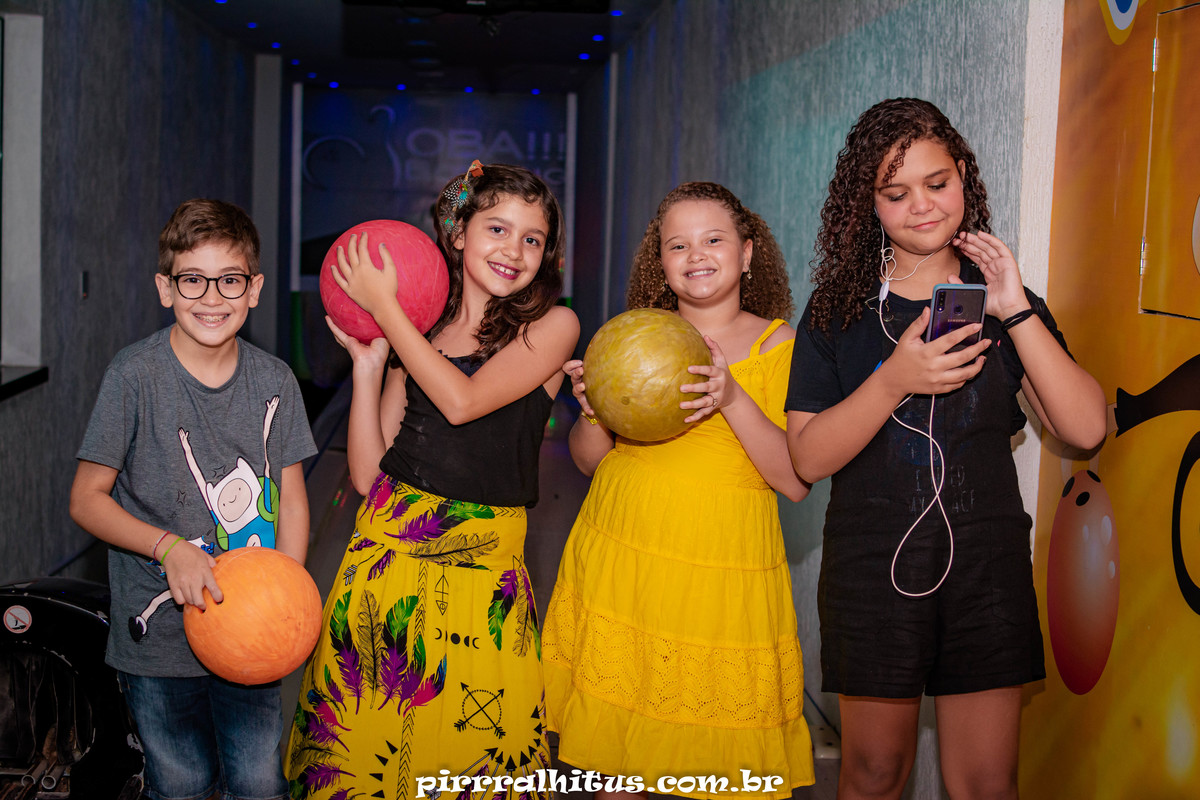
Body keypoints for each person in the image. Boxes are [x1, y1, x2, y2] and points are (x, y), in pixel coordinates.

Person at [785, 97, 1107, 800]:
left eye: (938, 182)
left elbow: (1086, 429)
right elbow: (806, 458)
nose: (922, 206)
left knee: (986, 784)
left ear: (964, 176)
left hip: (985, 566)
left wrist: (1013, 307)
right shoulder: (838, 309)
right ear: (867, 205)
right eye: (894, 193)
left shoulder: (1002, 300)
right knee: (873, 774)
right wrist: (895, 378)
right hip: (872, 567)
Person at [284, 163, 579, 799]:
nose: (514, 249)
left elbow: (463, 402)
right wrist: (368, 366)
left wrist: (387, 312)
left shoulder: (553, 328)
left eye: (533, 238)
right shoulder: (419, 332)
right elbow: (367, 472)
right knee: (366, 762)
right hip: (383, 568)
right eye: (497, 227)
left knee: (475, 766)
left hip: (482, 585)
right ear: (458, 234)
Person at [543, 182, 815, 798]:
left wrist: (731, 397)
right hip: (623, 558)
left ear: (747, 253)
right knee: (614, 769)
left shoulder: (783, 347)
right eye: (677, 245)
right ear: (660, 263)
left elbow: (795, 480)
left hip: (718, 579)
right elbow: (591, 463)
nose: (697, 255)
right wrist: (592, 410)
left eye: (714, 239)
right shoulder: (632, 339)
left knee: (707, 772)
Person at [69, 198, 317, 800]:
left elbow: (290, 498)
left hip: (250, 631)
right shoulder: (134, 377)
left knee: (259, 782)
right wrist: (168, 546)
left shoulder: (275, 380)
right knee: (181, 783)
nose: (212, 297)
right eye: (193, 280)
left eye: (229, 280)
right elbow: (86, 499)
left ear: (254, 289)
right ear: (165, 287)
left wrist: (283, 588)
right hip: (159, 642)